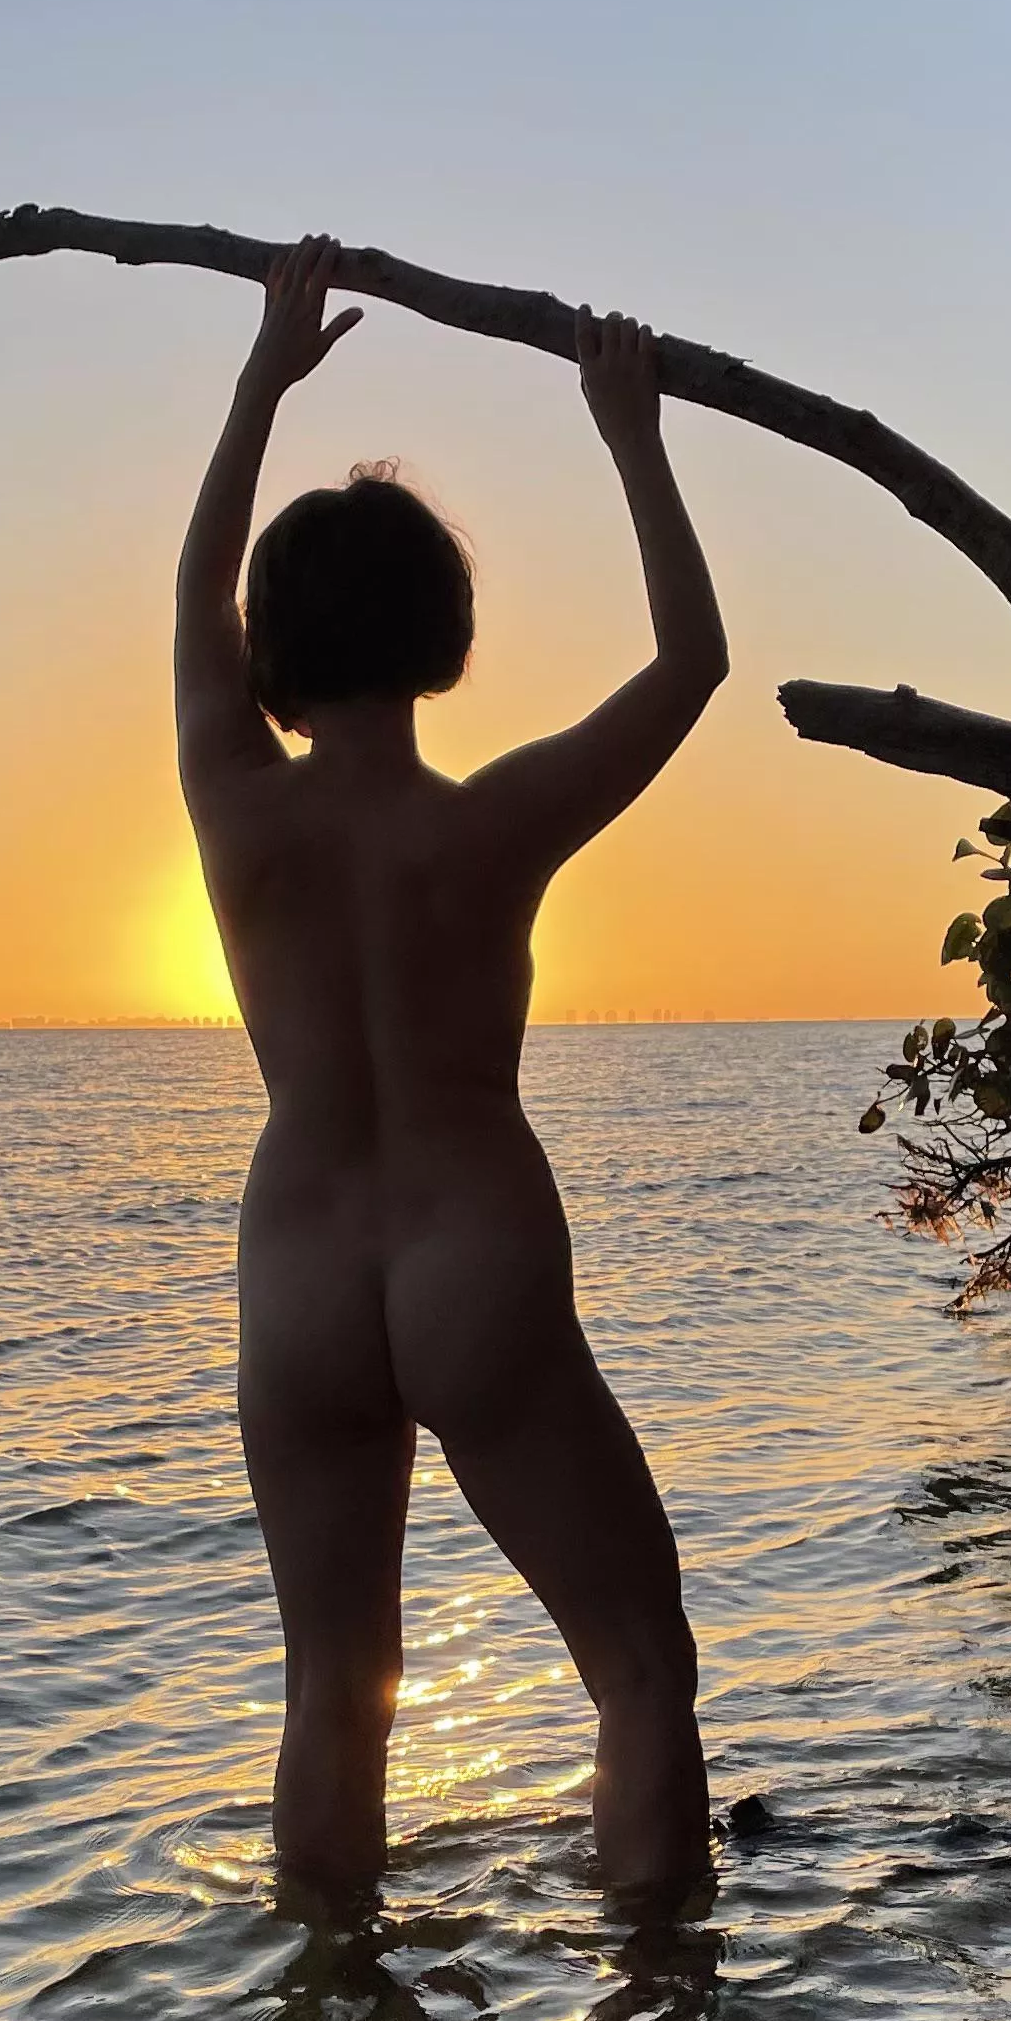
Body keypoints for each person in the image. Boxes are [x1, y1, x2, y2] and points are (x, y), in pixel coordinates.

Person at [175, 236, 730, 1904]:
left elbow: (192, 598)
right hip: (469, 1246)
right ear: (444, 631)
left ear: (271, 652)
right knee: (640, 1671)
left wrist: (260, 382)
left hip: (297, 1264)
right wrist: (631, 434)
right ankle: (658, 2012)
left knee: (334, 1692)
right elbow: (691, 663)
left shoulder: (234, 803)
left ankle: (334, 2019)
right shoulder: (491, 826)